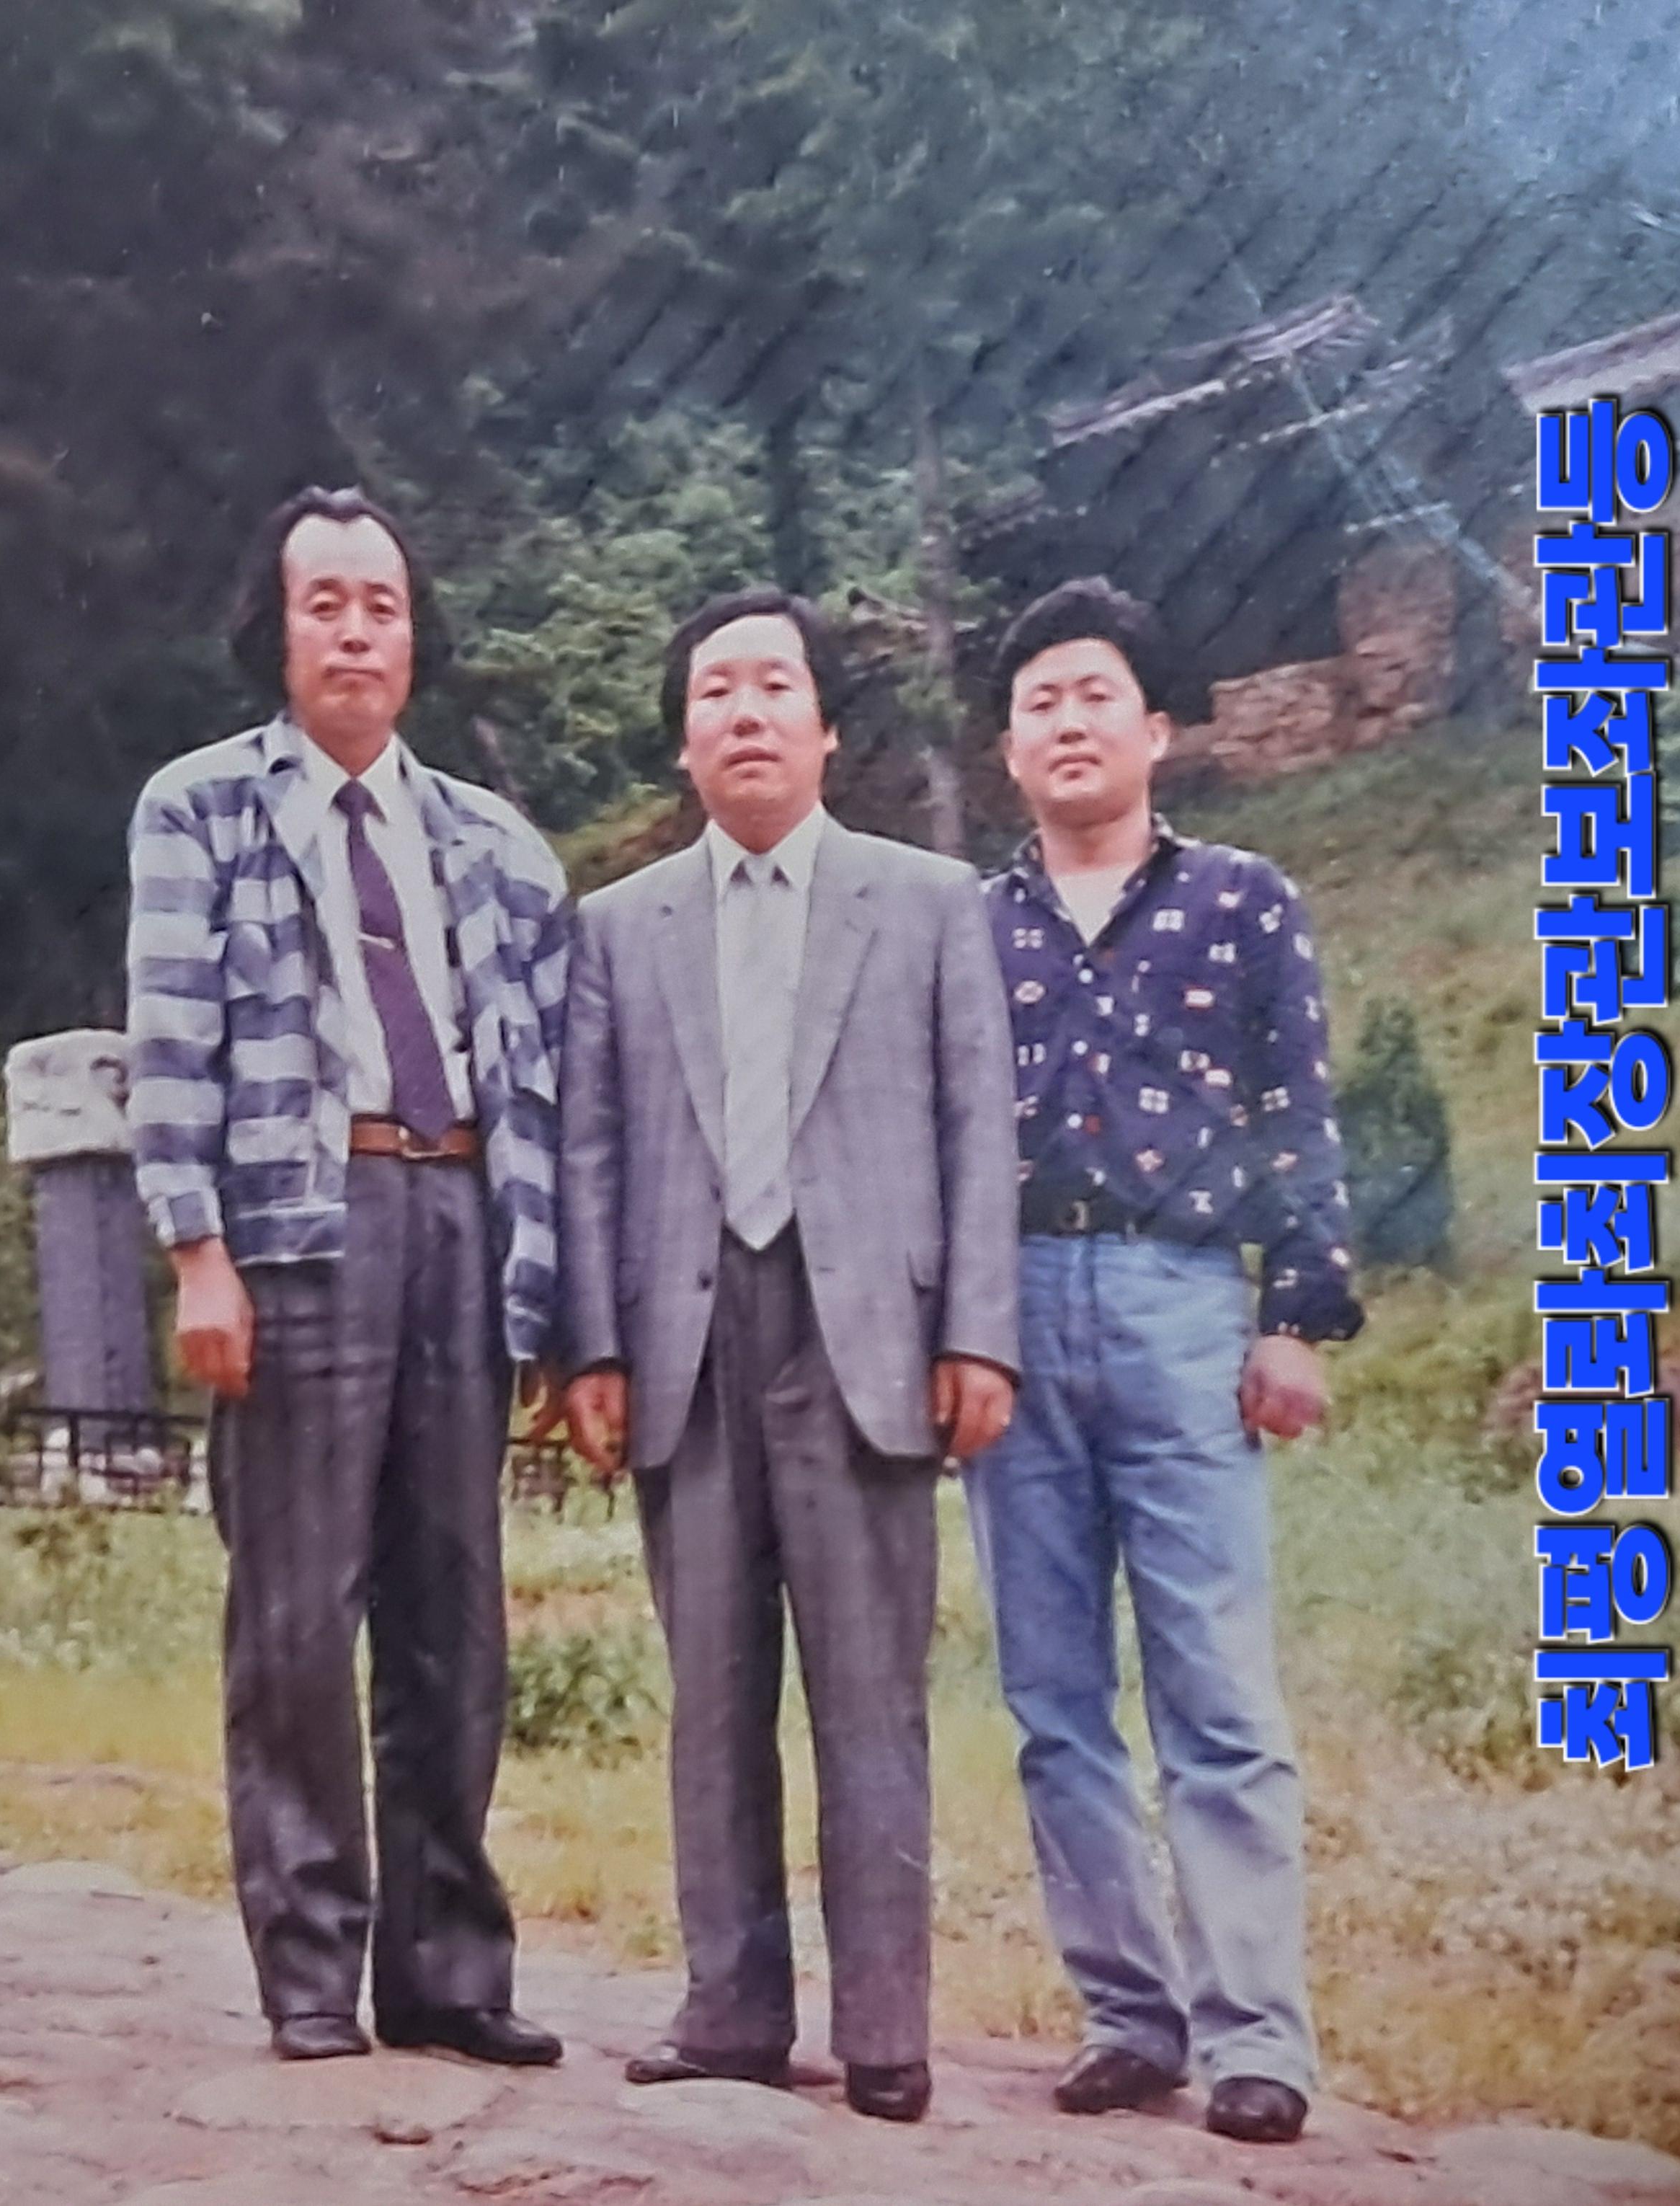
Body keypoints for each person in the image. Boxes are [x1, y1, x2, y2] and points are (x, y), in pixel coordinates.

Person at [556, 588, 1021, 2123]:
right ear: (683, 742)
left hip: (865, 1337)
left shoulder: (931, 902)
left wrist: (978, 1334)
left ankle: (886, 2030)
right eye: (715, 693)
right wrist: (591, 1348)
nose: (746, 713)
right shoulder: (617, 930)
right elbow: (591, 1153)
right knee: (712, 1695)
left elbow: (979, 1131)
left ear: (824, 727)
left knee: (870, 1695)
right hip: (686, 1341)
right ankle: (732, 2010)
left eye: (774, 686)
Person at [125, 487, 570, 2068]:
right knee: (298, 1620)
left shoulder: (496, 843)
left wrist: (544, 1284)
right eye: (327, 604)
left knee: (456, 1614)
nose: (358, 632)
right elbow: (170, 1045)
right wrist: (199, 1254)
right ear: (279, 629)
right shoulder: (200, 810)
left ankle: (450, 1974)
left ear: (415, 634)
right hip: (296, 1229)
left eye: (382, 605)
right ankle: (310, 1969)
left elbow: (548, 1081)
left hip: (461, 1218)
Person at [964, 577, 1364, 2145]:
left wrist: (1296, 1315)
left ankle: (1256, 2033)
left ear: (1156, 730)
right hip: (1009, 1308)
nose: (1069, 723)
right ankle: (1127, 2017)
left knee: (1214, 1682)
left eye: (1095, 696)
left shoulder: (1243, 901)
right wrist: (950, 1333)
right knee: (1054, 1694)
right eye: (1039, 703)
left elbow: (1298, 1112)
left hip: (1183, 1301)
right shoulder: (968, 927)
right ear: (1009, 750)